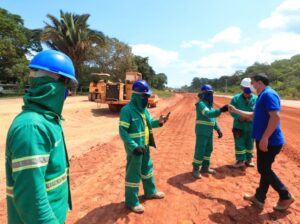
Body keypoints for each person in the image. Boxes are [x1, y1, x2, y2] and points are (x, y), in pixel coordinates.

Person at [5, 50, 76, 223]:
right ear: (54, 84)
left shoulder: (47, 120)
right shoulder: (32, 127)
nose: (67, 92)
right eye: (66, 85)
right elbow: (31, 203)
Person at [229, 73, 294, 211]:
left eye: (252, 83)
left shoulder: (269, 94)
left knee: (263, 169)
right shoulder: (261, 96)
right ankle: (259, 197)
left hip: (270, 141)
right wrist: (235, 110)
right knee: (265, 169)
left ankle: (285, 195)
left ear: (259, 82)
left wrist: (265, 138)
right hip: (264, 140)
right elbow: (252, 115)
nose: (251, 86)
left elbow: (275, 117)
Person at [119, 80, 169, 213]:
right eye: (144, 96)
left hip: (145, 147)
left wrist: (159, 121)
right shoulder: (127, 110)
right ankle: (131, 201)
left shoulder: (144, 110)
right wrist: (133, 146)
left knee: (147, 169)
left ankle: (150, 192)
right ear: (136, 95)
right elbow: (122, 131)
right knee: (133, 174)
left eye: (147, 96)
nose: (147, 99)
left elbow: (149, 123)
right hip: (134, 149)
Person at [192, 84, 229, 178]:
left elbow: (213, 120)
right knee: (200, 150)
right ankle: (196, 169)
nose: (210, 95)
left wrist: (218, 129)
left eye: (211, 93)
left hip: (209, 132)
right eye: (208, 93)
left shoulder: (210, 105)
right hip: (202, 131)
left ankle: (205, 167)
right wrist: (220, 110)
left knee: (209, 149)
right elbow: (208, 114)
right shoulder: (201, 104)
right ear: (203, 94)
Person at [230, 78, 257, 168]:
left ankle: (249, 160)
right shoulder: (236, 98)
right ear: (242, 88)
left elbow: (258, 112)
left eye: (249, 89)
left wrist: (251, 118)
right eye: (245, 89)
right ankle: (240, 160)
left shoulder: (256, 99)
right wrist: (239, 117)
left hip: (250, 126)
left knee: (250, 143)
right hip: (239, 125)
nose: (247, 91)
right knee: (239, 143)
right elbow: (231, 110)